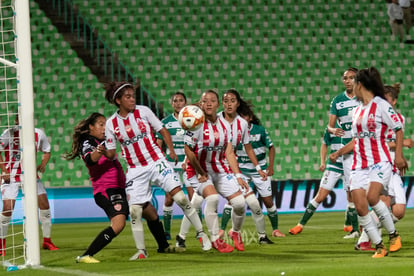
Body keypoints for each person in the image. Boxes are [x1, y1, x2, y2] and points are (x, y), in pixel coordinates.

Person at [104, 82, 211, 259]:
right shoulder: (111, 124)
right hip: (135, 169)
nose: (132, 99)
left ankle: (201, 233)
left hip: (156, 161)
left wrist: (170, 151)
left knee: (180, 197)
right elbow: (110, 152)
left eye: (133, 95)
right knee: (135, 211)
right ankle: (141, 251)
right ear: (118, 100)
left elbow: (162, 130)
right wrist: (103, 151)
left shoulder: (144, 111)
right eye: (128, 97)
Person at [330, 67, 408, 258]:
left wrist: (398, 156)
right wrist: (339, 152)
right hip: (359, 164)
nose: (351, 88)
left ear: (360, 85)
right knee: (360, 207)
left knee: (373, 197)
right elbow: (356, 140)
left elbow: (398, 129)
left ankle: (393, 234)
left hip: (379, 161)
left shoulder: (381, 105)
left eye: (353, 83)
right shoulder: (357, 110)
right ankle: (379, 246)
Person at [179, 89, 248, 252]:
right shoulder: (195, 124)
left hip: (219, 169)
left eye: (212, 100)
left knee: (240, 204)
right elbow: (188, 151)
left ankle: (235, 232)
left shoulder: (225, 124)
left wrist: (238, 176)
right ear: (201, 104)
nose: (208, 103)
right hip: (197, 170)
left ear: (218, 104)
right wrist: (201, 172)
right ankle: (216, 239)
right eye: (204, 101)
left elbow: (229, 151)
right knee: (213, 198)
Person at [64, 112, 129, 263]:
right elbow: (90, 159)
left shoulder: (106, 140)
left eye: (105, 125)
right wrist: (99, 152)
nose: (104, 128)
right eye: (101, 124)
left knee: (148, 210)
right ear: (91, 127)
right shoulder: (89, 142)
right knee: (118, 224)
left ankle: (163, 244)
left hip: (119, 187)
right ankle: (86, 255)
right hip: (106, 190)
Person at [354, 84, 413, 251]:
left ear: (394, 102)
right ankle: (366, 238)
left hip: (393, 168)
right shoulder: (373, 118)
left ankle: (367, 227)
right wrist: (400, 145)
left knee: (399, 211)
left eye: (386, 99)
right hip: (380, 165)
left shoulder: (398, 119)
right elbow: (378, 143)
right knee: (384, 201)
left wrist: (400, 151)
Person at [0, 115, 58, 256]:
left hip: (30, 175)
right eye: (18, 120)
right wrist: (4, 171)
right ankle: (1, 245)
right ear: (16, 121)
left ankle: (47, 240)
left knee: (44, 205)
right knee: (8, 208)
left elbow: (47, 150)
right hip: (11, 176)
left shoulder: (38, 133)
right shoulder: (9, 133)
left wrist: (42, 164)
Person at [155, 92, 203, 240]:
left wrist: (189, 161)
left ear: (185, 103)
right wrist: (163, 161)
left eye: (180, 100)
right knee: (169, 198)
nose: (177, 103)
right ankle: (167, 231)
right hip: (171, 164)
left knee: (193, 197)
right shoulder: (165, 122)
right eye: (175, 101)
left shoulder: (192, 120)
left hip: (188, 163)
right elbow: (158, 145)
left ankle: (199, 230)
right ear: (172, 104)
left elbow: (197, 143)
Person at [289, 125, 343, 235]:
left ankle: (351, 228)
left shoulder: (353, 124)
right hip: (334, 165)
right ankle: (300, 225)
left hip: (350, 164)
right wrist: (322, 162)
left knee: (353, 198)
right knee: (320, 196)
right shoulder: (331, 128)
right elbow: (324, 145)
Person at [327, 67, 360, 239]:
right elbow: (330, 126)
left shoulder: (363, 98)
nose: (347, 80)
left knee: (366, 189)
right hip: (347, 153)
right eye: (345, 78)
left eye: (351, 78)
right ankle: (356, 229)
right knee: (352, 189)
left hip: (364, 149)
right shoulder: (337, 100)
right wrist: (333, 131)